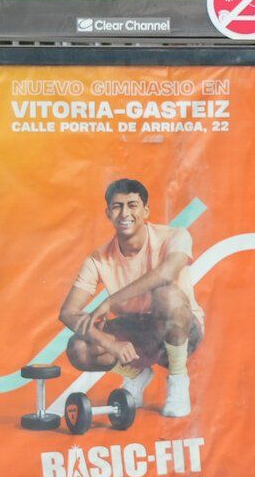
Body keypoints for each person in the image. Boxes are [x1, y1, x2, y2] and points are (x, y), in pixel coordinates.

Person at [59, 178, 205, 419]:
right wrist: (109, 343)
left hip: (182, 330)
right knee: (79, 347)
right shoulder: (98, 259)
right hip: (138, 333)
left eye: (132, 205)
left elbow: (167, 273)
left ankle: (178, 379)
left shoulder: (175, 236)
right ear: (108, 213)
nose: (124, 213)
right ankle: (136, 375)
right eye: (117, 206)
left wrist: (108, 301)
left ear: (145, 210)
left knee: (167, 294)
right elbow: (67, 312)